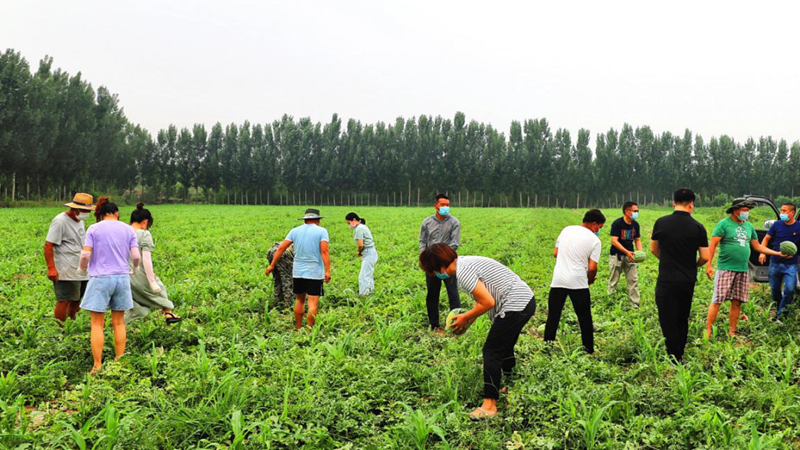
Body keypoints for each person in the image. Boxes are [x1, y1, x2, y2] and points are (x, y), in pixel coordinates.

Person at [419, 243, 535, 420]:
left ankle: (489, 405)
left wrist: (465, 317)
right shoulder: (464, 264)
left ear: (439, 266)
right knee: (504, 344)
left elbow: (488, 302)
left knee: (491, 351)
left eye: (432, 271)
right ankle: (510, 382)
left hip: (516, 304)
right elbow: (480, 299)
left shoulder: (463, 272)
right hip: (524, 301)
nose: (434, 275)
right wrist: (468, 321)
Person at [705, 198, 785, 339]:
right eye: (745, 211)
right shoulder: (723, 224)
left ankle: (732, 332)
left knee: (737, 301)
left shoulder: (749, 227)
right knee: (717, 300)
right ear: (736, 210)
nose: (746, 213)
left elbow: (757, 246)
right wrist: (709, 265)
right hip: (726, 268)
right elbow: (712, 245)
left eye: (747, 211)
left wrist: (776, 253)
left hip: (742, 270)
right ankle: (708, 331)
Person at [78, 198, 140, 374]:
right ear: (116, 213)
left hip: (100, 278)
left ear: (101, 213)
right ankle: (119, 360)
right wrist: (133, 269)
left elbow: (85, 255)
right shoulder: (128, 229)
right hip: (122, 278)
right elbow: (136, 256)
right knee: (119, 323)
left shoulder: (94, 228)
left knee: (97, 324)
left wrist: (82, 270)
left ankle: (97, 365)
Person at [650, 189, 709, 362]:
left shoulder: (661, 223)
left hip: (667, 279)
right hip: (687, 279)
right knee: (682, 316)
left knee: (667, 316)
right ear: (692, 204)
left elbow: (653, 249)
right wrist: (692, 265)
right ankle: (680, 352)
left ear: (673, 202)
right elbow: (705, 257)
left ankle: (673, 354)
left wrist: (667, 260)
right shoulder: (698, 227)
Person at [544, 209, 605, 354]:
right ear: (594, 224)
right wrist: (590, 280)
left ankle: (547, 348)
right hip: (578, 282)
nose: (599, 231)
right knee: (584, 318)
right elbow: (592, 268)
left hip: (558, 280)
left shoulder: (567, 230)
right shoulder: (595, 241)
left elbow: (555, 253)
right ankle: (588, 349)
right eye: (600, 227)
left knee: (553, 316)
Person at [265, 208, 331, 329]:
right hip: (314, 272)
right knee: (312, 303)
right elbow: (324, 251)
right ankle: (309, 330)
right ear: (318, 220)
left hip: (298, 272)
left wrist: (272, 265)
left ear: (305, 219)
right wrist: (327, 270)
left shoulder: (295, 231)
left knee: (299, 301)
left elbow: (281, 248)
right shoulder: (322, 231)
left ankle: (298, 328)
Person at [124, 203, 181, 325]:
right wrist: (152, 281)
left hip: (122, 276)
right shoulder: (144, 234)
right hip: (138, 274)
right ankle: (168, 312)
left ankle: (118, 325)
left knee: (134, 303)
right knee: (160, 290)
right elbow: (146, 259)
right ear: (145, 222)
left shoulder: (122, 232)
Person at [44, 193, 94, 322]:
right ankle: (59, 328)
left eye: (88, 210)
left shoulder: (80, 221)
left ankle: (70, 324)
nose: (86, 213)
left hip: (81, 269)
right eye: (84, 210)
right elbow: (48, 245)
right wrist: (51, 268)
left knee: (76, 299)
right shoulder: (60, 221)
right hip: (65, 270)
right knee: (64, 300)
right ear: (75, 208)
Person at [420, 194, 461, 333]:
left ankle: (456, 324)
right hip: (431, 264)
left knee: (453, 293)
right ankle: (434, 325)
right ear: (436, 206)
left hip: (448, 264)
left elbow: (454, 244)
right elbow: (422, 242)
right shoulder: (426, 222)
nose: (446, 207)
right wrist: (424, 257)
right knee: (432, 294)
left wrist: (441, 258)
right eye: (443, 204)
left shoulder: (454, 222)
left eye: (447, 205)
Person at [758, 203, 800, 323]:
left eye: (784, 211)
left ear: (792, 213)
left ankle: (781, 316)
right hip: (775, 262)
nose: (782, 213)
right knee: (775, 290)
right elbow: (766, 239)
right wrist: (762, 252)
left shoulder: (798, 227)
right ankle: (780, 309)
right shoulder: (777, 225)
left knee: (790, 289)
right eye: (781, 210)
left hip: (791, 264)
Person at [608, 201, 642, 308]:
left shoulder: (635, 225)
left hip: (630, 256)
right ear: (627, 211)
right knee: (614, 279)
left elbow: (637, 240)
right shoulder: (617, 223)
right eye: (635, 211)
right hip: (617, 255)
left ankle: (634, 303)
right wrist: (626, 252)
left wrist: (639, 252)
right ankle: (610, 301)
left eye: (637, 211)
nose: (637, 213)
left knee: (633, 280)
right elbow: (614, 241)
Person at [345, 212, 378, 296]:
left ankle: (363, 296)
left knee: (363, 276)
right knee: (368, 275)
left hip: (368, 253)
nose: (349, 225)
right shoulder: (363, 226)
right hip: (371, 252)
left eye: (349, 223)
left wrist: (359, 251)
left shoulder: (359, 228)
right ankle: (370, 292)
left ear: (354, 220)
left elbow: (360, 244)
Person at [267, 241, 296, 309]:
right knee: (288, 280)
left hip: (272, 251)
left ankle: (277, 302)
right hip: (284, 253)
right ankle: (288, 306)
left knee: (278, 279)